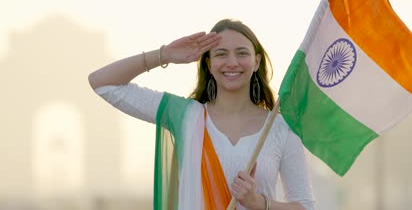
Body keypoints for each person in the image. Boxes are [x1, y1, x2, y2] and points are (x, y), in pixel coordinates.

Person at [88, 19, 315, 210]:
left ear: (256, 62)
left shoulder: (280, 127)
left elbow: (306, 206)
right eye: (221, 54)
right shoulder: (186, 117)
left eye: (242, 53)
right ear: (209, 63)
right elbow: (103, 83)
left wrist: (259, 202)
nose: (232, 62)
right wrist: (165, 54)